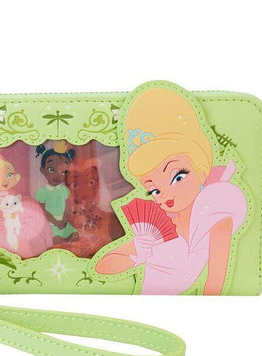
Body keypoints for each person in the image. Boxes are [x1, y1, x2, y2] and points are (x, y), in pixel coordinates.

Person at [95, 86, 247, 295]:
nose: (164, 194)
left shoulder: (214, 211)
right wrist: (135, 254)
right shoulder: (152, 229)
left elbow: (215, 283)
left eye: (178, 177)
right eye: (153, 190)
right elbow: (100, 267)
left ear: (200, 171)